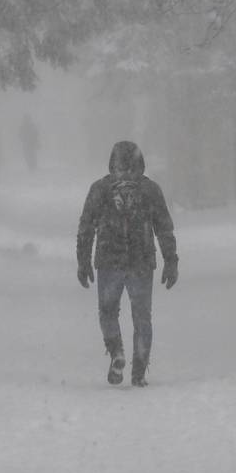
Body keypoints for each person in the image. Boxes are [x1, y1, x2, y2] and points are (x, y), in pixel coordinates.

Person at [76, 141, 178, 387]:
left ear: (112, 163)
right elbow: (164, 228)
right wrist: (170, 260)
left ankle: (116, 352)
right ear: (140, 163)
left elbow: (86, 228)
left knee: (108, 312)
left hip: (109, 261)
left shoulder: (100, 189)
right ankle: (139, 371)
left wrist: (83, 262)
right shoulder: (151, 190)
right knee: (142, 317)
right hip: (141, 261)